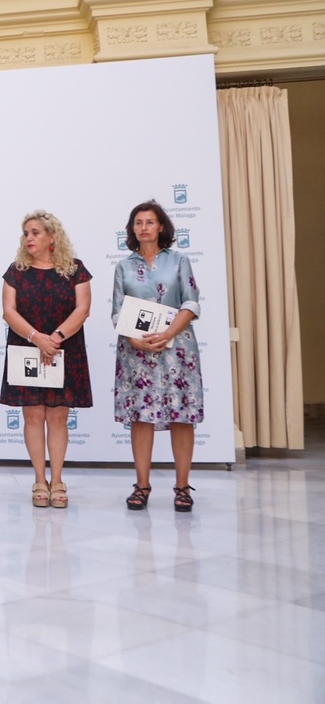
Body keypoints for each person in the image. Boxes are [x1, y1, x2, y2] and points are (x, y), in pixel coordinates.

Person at [112, 201, 204, 513]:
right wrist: (135, 340)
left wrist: (167, 334)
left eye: (150, 222)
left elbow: (191, 303)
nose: (144, 228)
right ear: (132, 229)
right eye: (138, 223)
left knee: (181, 416)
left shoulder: (179, 261)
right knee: (141, 417)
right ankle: (142, 485)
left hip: (178, 351)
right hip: (136, 353)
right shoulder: (123, 267)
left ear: (161, 226)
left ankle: (182, 487)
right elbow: (117, 312)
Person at [0, 210, 92, 509]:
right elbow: (8, 311)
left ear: (52, 237)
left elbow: (83, 309)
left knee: (58, 417)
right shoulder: (16, 271)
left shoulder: (75, 269)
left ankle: (58, 479)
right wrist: (36, 337)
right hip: (27, 348)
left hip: (64, 348)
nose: (29, 237)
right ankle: (40, 479)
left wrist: (56, 338)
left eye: (35, 232)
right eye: (26, 233)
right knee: (33, 416)